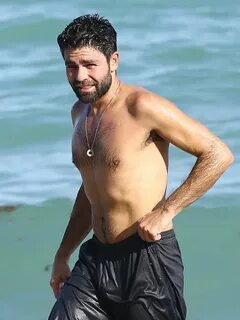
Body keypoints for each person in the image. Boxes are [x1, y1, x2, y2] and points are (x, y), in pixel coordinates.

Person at [48, 14, 234, 320]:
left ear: (114, 60)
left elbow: (217, 154)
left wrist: (167, 211)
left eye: (90, 65)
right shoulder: (78, 113)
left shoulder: (142, 107)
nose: (80, 76)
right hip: (96, 260)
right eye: (71, 66)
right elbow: (91, 189)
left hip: (147, 259)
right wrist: (62, 254)